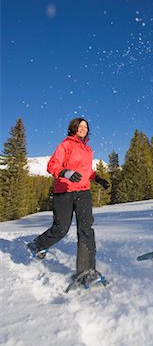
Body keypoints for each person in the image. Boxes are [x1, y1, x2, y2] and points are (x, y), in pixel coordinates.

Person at [27, 118, 110, 286]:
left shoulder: (88, 150)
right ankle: (38, 244)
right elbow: (52, 166)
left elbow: (86, 170)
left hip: (83, 192)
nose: (83, 129)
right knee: (61, 228)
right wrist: (66, 173)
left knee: (86, 229)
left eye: (85, 127)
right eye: (80, 126)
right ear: (73, 128)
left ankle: (86, 271)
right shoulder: (65, 145)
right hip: (64, 192)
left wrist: (97, 178)